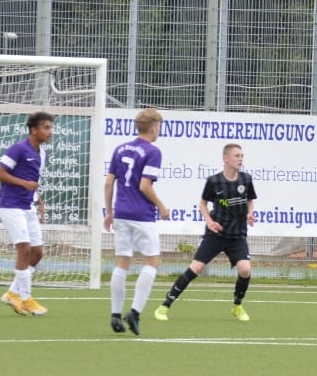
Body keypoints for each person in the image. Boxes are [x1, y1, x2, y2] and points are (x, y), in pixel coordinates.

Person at [154, 143, 257, 322]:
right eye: (237, 156)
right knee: (196, 268)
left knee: (245, 269)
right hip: (215, 234)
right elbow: (202, 203)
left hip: (237, 235)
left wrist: (250, 213)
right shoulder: (214, 181)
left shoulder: (246, 179)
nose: (240, 159)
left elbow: (250, 200)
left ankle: (237, 306)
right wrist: (209, 221)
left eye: (242, 156)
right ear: (226, 158)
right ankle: (165, 305)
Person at [104, 108, 171, 335]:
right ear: (153, 128)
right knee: (152, 262)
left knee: (122, 262)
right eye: (158, 127)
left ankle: (115, 315)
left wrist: (109, 212)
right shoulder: (152, 152)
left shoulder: (120, 148)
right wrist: (161, 206)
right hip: (142, 214)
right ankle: (134, 312)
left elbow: (108, 183)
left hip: (121, 213)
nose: (159, 131)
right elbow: (144, 186)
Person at [0, 110, 53, 317]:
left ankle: (12, 293)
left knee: (37, 253)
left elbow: (33, 181)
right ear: (34, 130)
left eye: (51, 127)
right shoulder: (18, 149)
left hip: (28, 206)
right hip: (11, 206)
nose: (50, 131)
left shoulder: (42, 154)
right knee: (24, 249)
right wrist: (23, 183)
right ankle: (26, 299)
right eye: (46, 127)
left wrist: (38, 200)